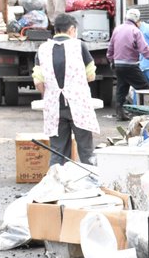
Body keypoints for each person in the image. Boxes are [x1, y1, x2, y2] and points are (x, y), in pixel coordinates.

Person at [32, 13, 99, 165]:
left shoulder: (42, 49)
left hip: (54, 108)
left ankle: (56, 184)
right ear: (71, 30)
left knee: (58, 151)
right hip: (79, 106)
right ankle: (89, 183)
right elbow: (91, 75)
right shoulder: (79, 45)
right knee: (86, 151)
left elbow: (38, 82)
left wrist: (51, 94)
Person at [107, 7, 149, 121]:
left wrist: (111, 60)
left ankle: (120, 113)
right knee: (143, 86)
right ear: (137, 19)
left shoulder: (117, 29)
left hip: (118, 64)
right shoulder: (135, 31)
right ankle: (142, 113)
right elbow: (144, 49)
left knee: (122, 87)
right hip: (130, 64)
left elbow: (110, 48)